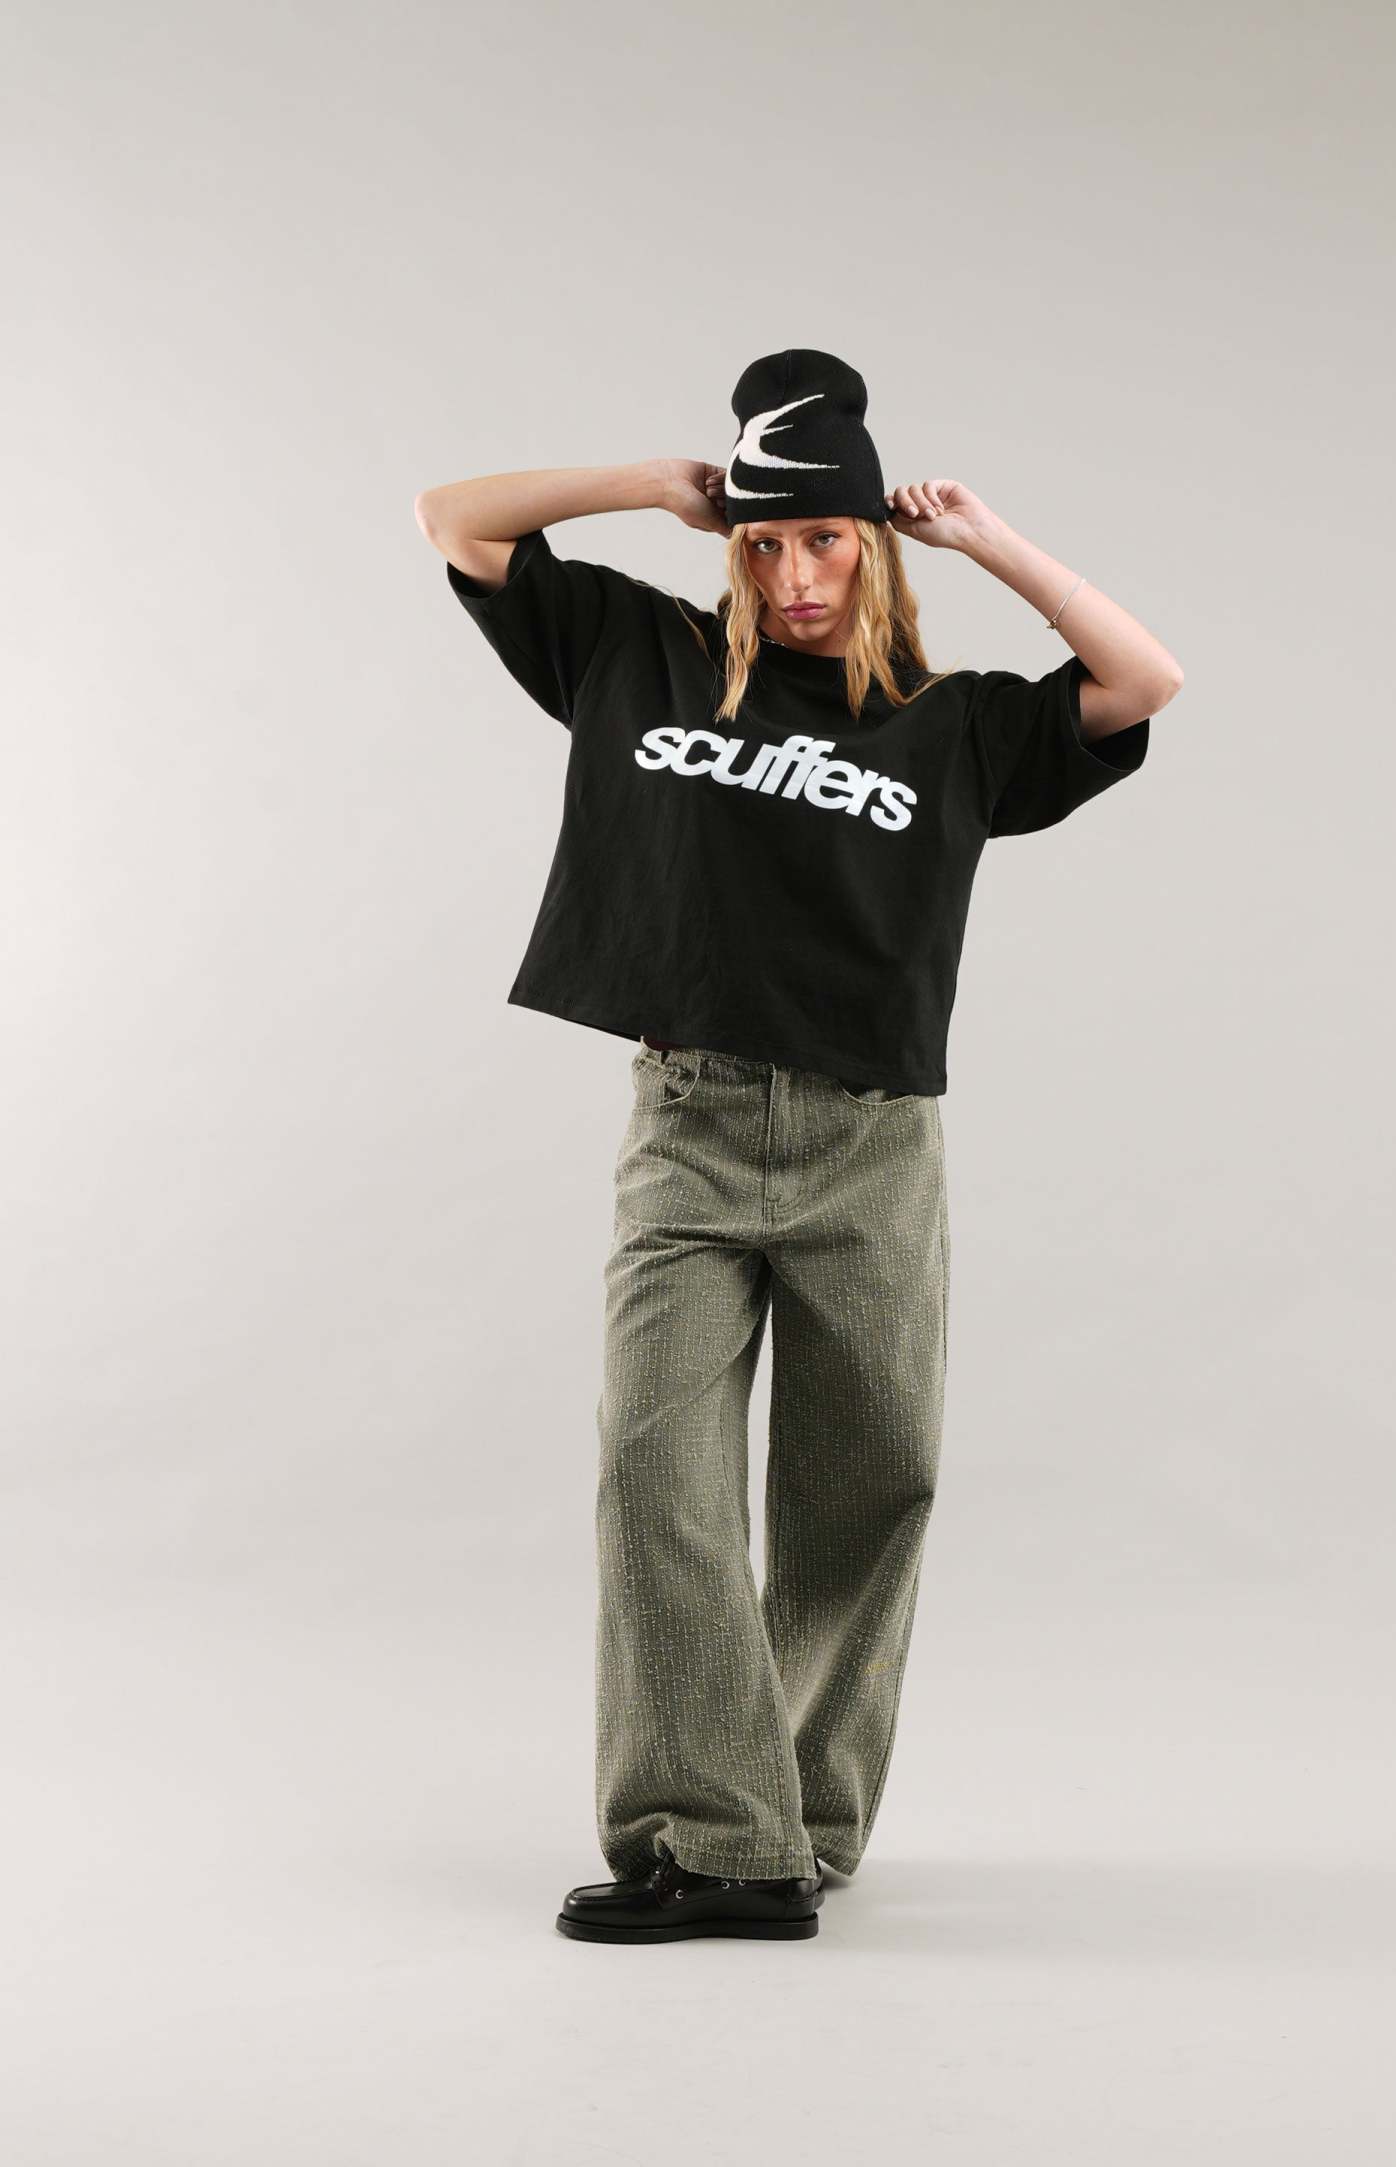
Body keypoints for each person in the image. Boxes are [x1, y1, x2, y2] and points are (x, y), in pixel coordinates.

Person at [415, 348, 1182, 1946]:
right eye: (763, 545)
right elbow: (457, 520)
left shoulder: (957, 728)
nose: (793, 575)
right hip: (689, 1129)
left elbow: (1139, 680)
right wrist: (649, 485)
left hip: (869, 1147)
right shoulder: (641, 654)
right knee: (656, 1477)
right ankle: (718, 1847)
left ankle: (796, 1827)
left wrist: (986, 538)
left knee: (865, 1488)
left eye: (824, 538)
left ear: (874, 546)